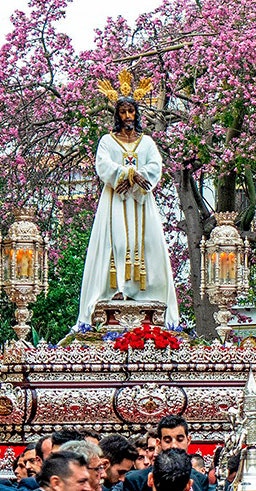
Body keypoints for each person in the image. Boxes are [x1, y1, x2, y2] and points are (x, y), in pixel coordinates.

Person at [79, 77, 179, 327]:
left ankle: (146, 293)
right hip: (115, 201)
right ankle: (116, 290)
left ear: (137, 113)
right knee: (118, 243)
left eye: (131, 110)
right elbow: (103, 165)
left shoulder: (146, 142)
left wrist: (136, 177)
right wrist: (122, 176)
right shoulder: (107, 140)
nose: (127, 115)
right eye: (122, 111)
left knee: (145, 244)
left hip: (141, 202)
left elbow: (155, 165)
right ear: (117, 114)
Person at [123, 416, 208, 491]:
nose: (174, 445)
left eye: (180, 439)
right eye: (167, 441)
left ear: (188, 440)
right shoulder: (136, 481)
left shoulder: (200, 480)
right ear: (159, 443)